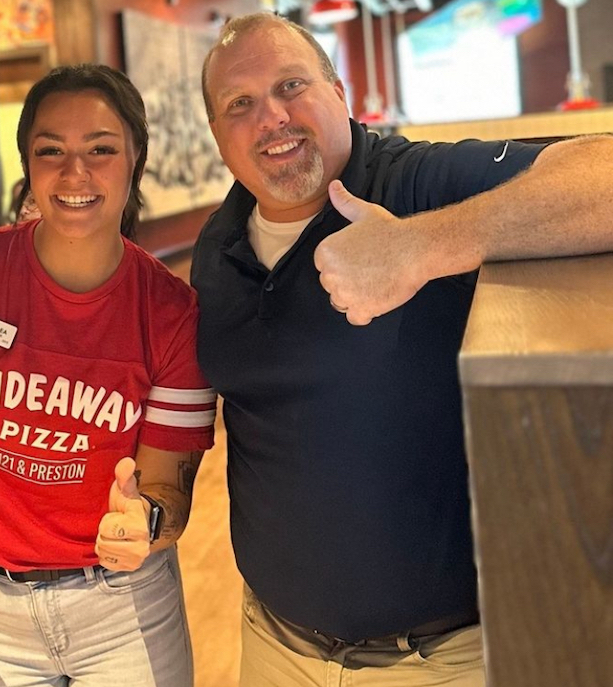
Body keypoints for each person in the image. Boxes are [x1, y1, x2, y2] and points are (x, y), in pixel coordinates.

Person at [193, 12, 613, 687]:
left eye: (291, 85)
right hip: (271, 645)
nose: (270, 116)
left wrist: (425, 246)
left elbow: (604, 173)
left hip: (438, 662)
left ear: (339, 91)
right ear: (219, 136)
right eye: (239, 104)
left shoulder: (411, 181)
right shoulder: (217, 247)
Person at [0, 64, 216, 687]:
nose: (75, 174)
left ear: (135, 158)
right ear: (28, 165)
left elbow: (170, 493)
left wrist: (143, 521)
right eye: (51, 151)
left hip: (125, 605)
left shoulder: (173, 315)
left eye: (101, 149)